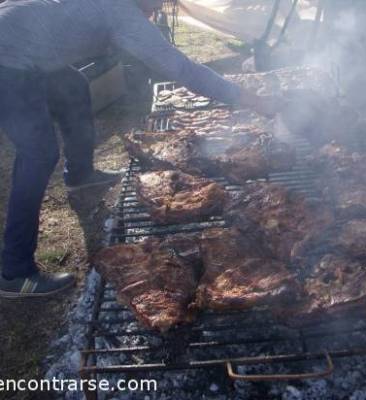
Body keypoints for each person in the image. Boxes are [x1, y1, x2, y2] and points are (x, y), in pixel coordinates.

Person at [0, 0, 283, 298]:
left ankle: (80, 173)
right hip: (8, 56)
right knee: (39, 153)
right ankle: (14, 272)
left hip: (20, 37)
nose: (158, 8)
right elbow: (182, 70)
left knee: (74, 87)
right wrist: (252, 100)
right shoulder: (120, 12)